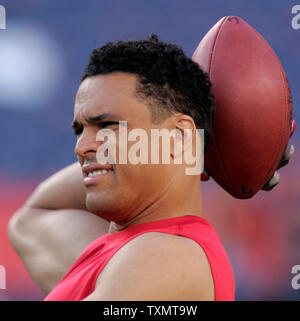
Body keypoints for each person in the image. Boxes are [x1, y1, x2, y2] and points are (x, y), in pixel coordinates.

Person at [7, 34, 293, 301]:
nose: (81, 147)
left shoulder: (168, 257)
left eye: (107, 125)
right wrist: (197, 153)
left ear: (178, 135)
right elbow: (34, 216)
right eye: (80, 130)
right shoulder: (118, 256)